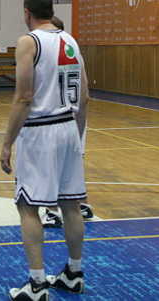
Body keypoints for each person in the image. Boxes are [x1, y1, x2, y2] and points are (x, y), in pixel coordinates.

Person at [0, 0, 89, 300]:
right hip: (68, 127)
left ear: (27, 13)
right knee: (71, 204)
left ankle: (37, 285)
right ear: (51, 11)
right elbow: (85, 97)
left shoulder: (29, 42)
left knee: (27, 206)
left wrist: (7, 144)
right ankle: (74, 274)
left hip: (41, 130)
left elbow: (24, 97)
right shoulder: (71, 40)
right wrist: (77, 139)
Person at [41, 15, 93, 228]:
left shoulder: (47, 53)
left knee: (52, 165)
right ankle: (83, 203)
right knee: (73, 164)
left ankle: (52, 211)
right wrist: (80, 128)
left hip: (57, 116)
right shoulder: (75, 51)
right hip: (76, 115)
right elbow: (85, 95)